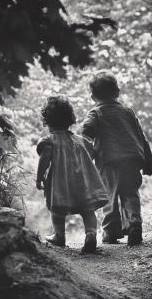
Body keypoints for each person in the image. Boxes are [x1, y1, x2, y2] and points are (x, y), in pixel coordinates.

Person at [82, 70, 152, 247]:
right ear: (117, 92)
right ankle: (134, 223)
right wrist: (148, 160)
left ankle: (110, 232)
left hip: (109, 162)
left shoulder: (96, 113)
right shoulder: (128, 112)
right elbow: (141, 136)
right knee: (130, 193)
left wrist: (88, 147)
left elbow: (87, 131)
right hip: (132, 159)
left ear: (93, 97)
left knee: (109, 196)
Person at [36, 95, 108, 253]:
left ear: (48, 122)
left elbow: (45, 159)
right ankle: (90, 235)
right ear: (70, 120)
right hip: (83, 183)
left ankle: (59, 236)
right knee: (88, 210)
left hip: (61, 184)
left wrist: (40, 176)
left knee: (57, 211)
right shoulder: (81, 140)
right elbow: (93, 153)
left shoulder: (49, 141)